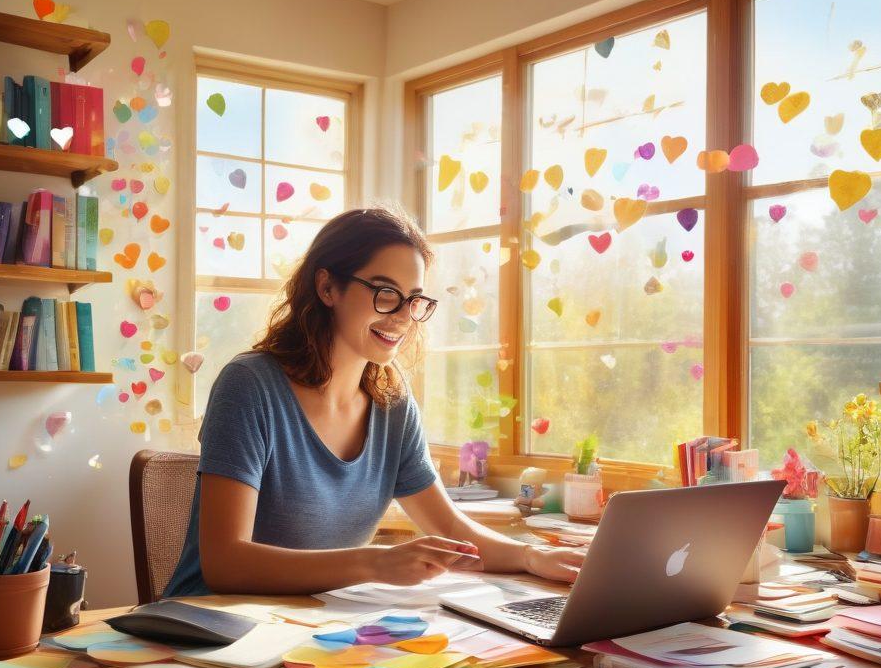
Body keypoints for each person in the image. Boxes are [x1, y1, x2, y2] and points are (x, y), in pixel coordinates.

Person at [163, 204, 585, 597]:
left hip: (310, 630)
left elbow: (451, 528)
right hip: (206, 628)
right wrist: (374, 563)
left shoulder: (392, 403)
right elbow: (226, 564)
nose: (402, 316)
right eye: (385, 292)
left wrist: (531, 557)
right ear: (327, 287)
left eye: (413, 299)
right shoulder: (249, 386)